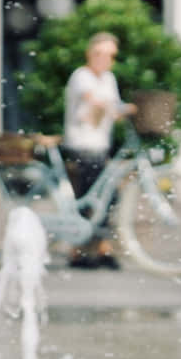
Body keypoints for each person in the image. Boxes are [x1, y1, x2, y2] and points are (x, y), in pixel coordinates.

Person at [62, 32, 136, 269]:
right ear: (90, 54)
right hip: (81, 144)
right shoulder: (81, 76)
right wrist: (118, 107)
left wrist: (125, 110)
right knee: (89, 195)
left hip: (100, 144)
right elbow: (91, 98)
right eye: (100, 54)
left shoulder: (109, 79)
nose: (105, 60)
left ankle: (101, 246)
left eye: (110, 55)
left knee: (109, 195)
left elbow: (112, 110)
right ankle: (79, 249)